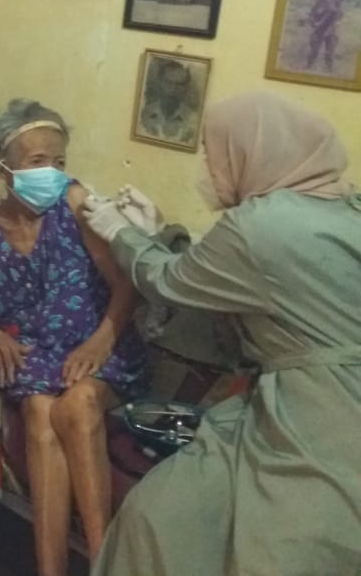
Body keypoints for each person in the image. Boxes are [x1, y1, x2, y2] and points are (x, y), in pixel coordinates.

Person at [83, 90, 361, 575]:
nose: (209, 170)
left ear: (250, 151)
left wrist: (119, 231)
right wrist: (155, 235)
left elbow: (166, 281)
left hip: (323, 413)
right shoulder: (343, 205)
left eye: (213, 154)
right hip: (271, 404)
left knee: (282, 549)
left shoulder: (259, 226)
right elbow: (246, 287)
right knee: (158, 513)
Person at [0, 99, 147, 576]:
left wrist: (101, 340)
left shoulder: (75, 205)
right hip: (36, 357)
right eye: (37, 161)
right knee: (40, 412)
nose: (53, 173)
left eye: (59, 161)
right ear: (2, 170)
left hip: (97, 346)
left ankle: (104, 562)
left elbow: (127, 283)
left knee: (79, 404)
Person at [138, 59, 199, 145]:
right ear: (160, 82)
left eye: (179, 84)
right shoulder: (143, 114)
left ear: (186, 88)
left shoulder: (194, 120)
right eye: (168, 82)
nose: (173, 89)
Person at [306, 0, 346, 71]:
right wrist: (313, 23)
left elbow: (340, 15)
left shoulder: (337, 2)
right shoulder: (319, 2)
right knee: (314, 50)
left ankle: (329, 70)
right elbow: (311, 13)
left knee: (329, 52)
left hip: (331, 30)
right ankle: (308, 67)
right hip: (318, 30)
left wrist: (334, 10)